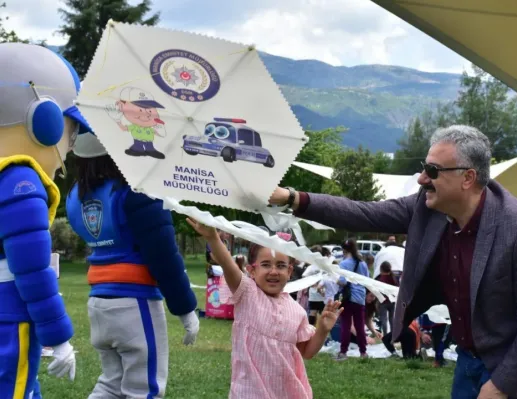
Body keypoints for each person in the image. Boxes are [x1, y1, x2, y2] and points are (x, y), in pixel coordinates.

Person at [270, 124, 517, 398]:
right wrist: (291, 197)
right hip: (468, 357)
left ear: (468, 178)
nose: (423, 179)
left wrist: (500, 387)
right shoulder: (426, 207)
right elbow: (363, 213)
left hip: (516, 365)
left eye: (433, 171)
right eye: (424, 168)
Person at [66, 133, 200, 398]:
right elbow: (163, 255)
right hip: (135, 304)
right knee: (144, 389)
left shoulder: (74, 196)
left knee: (110, 384)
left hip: (99, 302)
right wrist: (185, 308)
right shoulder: (137, 190)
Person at [0, 43, 88, 397]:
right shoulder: (20, 183)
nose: (70, 144)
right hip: (8, 318)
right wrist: (59, 337)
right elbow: (32, 271)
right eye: (72, 131)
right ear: (45, 121)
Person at [188, 219, 341, 399]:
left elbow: (306, 352)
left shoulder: (297, 311)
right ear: (252, 271)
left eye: (281, 266)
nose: (274, 271)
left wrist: (322, 330)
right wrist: (213, 238)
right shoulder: (246, 293)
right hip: (248, 392)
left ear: (290, 272)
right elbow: (228, 265)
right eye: (266, 264)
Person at [334, 238, 371, 361]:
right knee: (360, 326)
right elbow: (367, 280)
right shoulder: (363, 263)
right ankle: (363, 352)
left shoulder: (343, 264)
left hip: (348, 298)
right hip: (360, 297)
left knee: (346, 325)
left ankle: (343, 351)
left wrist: (336, 280)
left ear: (344, 250)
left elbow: (343, 282)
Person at [375, 261, 399, 336]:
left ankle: (385, 335)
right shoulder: (394, 278)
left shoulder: (380, 278)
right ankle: (393, 335)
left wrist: (377, 302)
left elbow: (377, 291)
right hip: (392, 301)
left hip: (383, 302)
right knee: (392, 319)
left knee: (383, 319)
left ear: (381, 269)